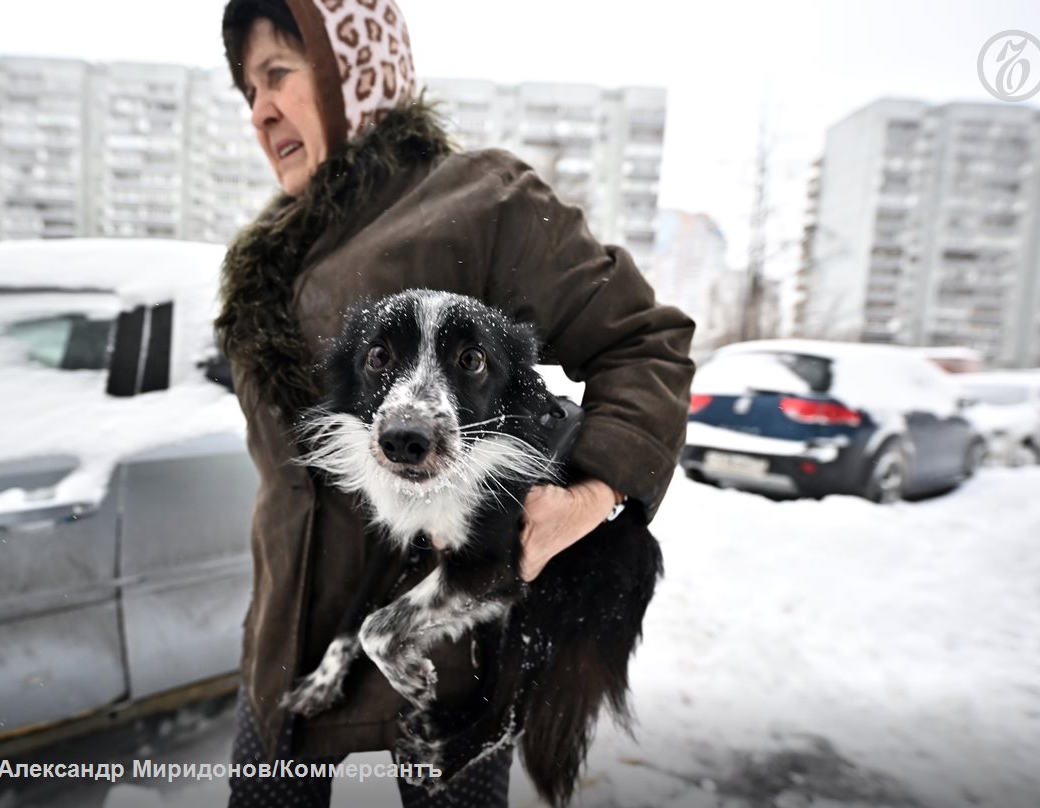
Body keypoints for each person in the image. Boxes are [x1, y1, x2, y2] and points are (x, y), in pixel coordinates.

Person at [215, 1, 695, 805]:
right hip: (283, 655)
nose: (259, 110)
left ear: (350, 73)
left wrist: (592, 493)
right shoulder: (277, 252)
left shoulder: (481, 202)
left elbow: (644, 342)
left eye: (278, 74)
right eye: (247, 90)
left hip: (447, 662)